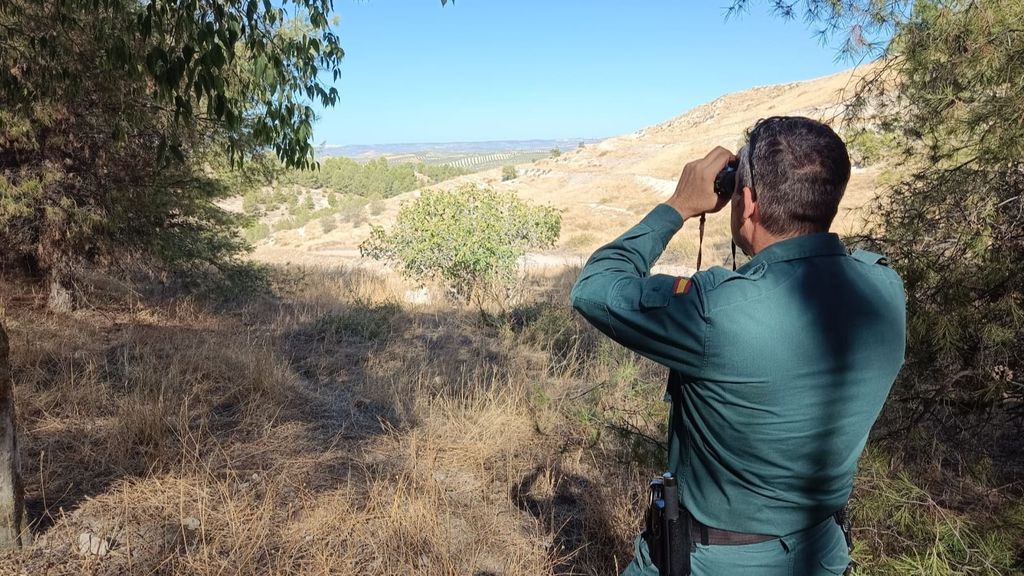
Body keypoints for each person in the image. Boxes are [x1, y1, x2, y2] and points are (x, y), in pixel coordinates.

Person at [570, 116, 906, 575]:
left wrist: (678, 206)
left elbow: (594, 288)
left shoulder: (717, 312)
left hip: (713, 560)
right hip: (822, 552)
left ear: (746, 201)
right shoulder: (885, 288)